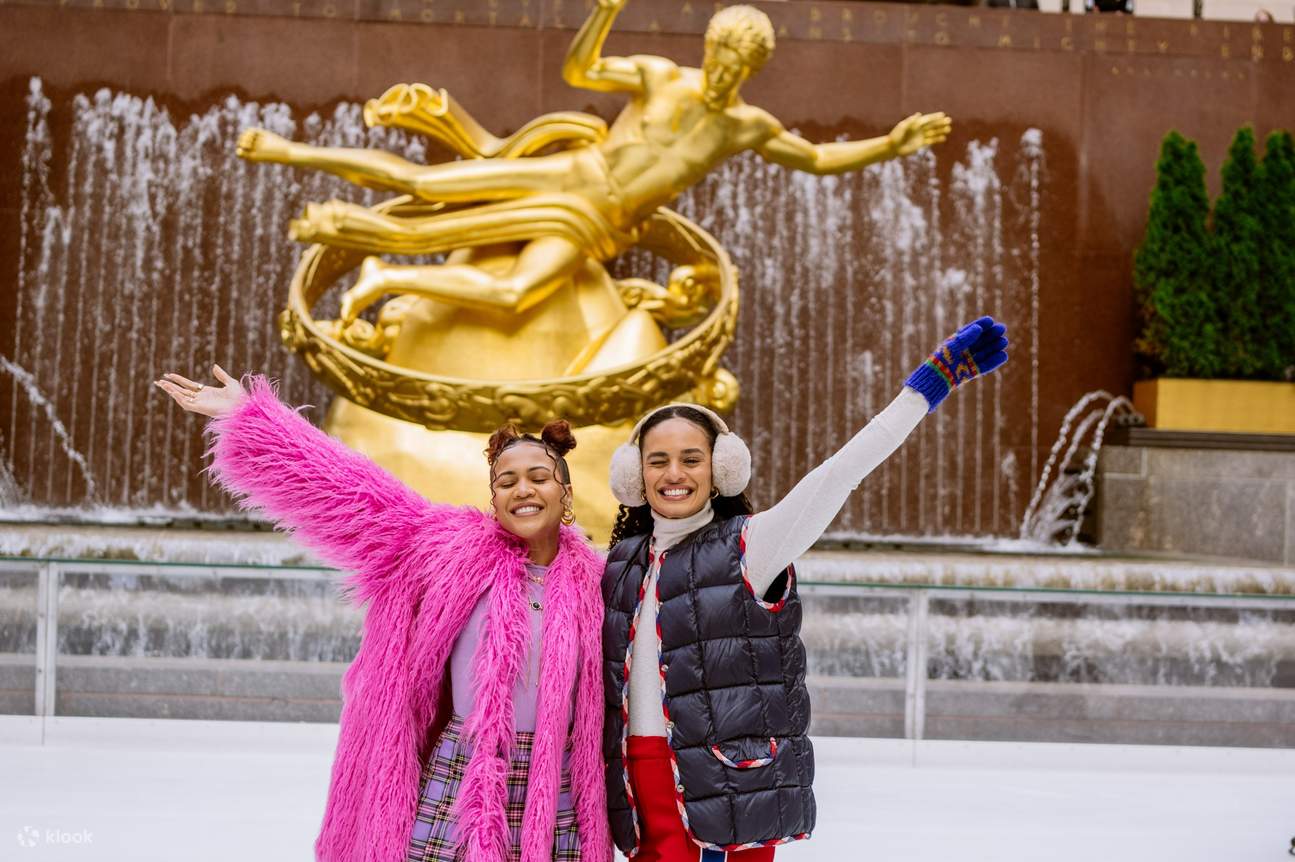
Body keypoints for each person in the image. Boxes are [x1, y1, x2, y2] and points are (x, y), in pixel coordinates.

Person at [154, 366, 611, 862]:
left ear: (565, 495)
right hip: (463, 774)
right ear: (494, 497)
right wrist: (254, 419)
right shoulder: (445, 550)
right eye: (507, 481)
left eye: (539, 478)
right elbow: (347, 492)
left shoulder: (600, 580)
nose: (523, 489)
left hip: (556, 778)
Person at [600, 316, 1010, 861]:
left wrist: (927, 387)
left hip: (724, 789)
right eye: (659, 460)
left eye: (691, 458)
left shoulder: (753, 545)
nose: (675, 473)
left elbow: (839, 474)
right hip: (636, 786)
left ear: (722, 469)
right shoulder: (619, 563)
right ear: (635, 474)